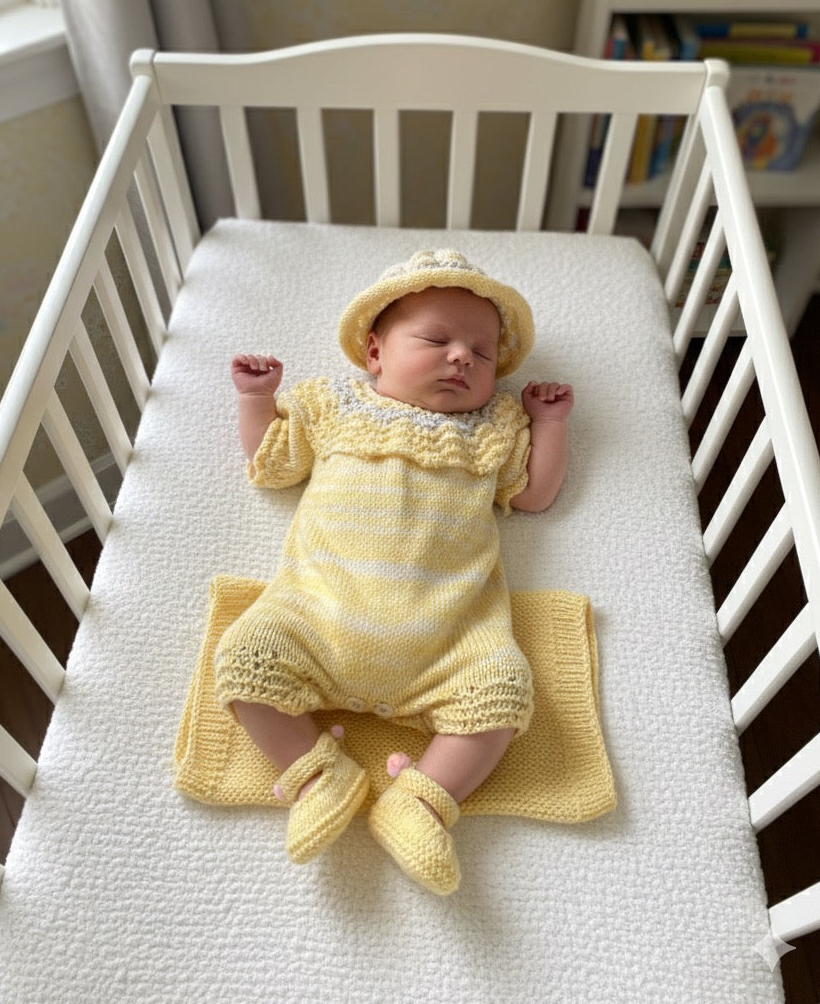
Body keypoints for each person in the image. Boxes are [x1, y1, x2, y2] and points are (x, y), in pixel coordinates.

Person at [214, 249, 573, 894]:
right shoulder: (333, 406)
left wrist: (549, 424)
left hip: (448, 637)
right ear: (375, 353)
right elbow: (272, 460)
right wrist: (256, 398)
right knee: (245, 658)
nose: (461, 357)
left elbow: (534, 495)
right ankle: (319, 775)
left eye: (482, 353)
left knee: (502, 689)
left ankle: (423, 800)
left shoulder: (491, 427)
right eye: (436, 340)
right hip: (317, 616)